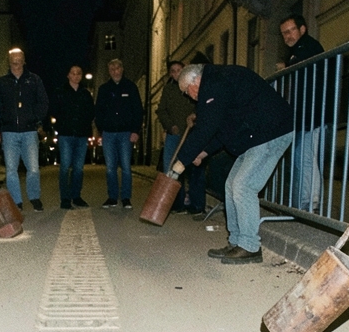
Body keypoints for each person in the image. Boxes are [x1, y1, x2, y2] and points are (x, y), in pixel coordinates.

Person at [169, 63, 294, 264]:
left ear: (194, 82)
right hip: (254, 136)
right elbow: (222, 129)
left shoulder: (215, 83)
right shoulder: (216, 84)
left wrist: (181, 162)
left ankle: (249, 246)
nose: (189, 97)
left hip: (272, 131)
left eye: (186, 91)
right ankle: (236, 241)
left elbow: (205, 129)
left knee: (243, 186)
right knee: (231, 186)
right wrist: (203, 152)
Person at [281, 14, 332, 212]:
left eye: (291, 30)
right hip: (305, 116)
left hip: (313, 115)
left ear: (302, 29)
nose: (287, 36)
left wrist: (286, 67)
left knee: (306, 159)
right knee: (301, 159)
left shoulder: (308, 47)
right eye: (284, 33)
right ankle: (305, 202)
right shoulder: (298, 51)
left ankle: (310, 203)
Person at [0, 48, 49, 211]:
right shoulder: (1, 83)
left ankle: (34, 197)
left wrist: (34, 118)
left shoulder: (34, 80)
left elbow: (43, 102)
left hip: (29, 132)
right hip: (9, 132)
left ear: (24, 61)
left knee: (33, 169)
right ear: (9, 62)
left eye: (19, 60)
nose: (16, 64)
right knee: (11, 170)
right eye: (13, 61)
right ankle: (16, 201)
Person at [155, 59, 204, 217]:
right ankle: (177, 204)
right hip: (174, 135)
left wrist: (195, 115)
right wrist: (171, 126)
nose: (176, 73)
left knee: (194, 168)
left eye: (178, 70)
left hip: (192, 133)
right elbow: (161, 110)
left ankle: (196, 205)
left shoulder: (194, 85)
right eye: (173, 71)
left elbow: (202, 104)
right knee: (172, 169)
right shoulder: (168, 90)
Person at [94, 58, 143, 208]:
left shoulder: (131, 87)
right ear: (109, 71)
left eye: (117, 68)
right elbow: (98, 111)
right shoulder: (104, 89)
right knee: (110, 167)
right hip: (108, 133)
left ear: (122, 69)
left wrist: (135, 131)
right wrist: (101, 129)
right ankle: (112, 197)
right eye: (112, 69)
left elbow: (138, 110)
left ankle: (126, 198)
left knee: (126, 167)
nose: (115, 71)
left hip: (125, 134)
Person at [52, 65, 95, 209]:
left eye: (79, 73)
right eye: (73, 73)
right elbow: (54, 110)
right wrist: (63, 123)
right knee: (65, 167)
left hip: (81, 135)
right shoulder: (60, 92)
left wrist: (84, 123)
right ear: (68, 75)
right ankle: (65, 199)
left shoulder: (85, 93)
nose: (76, 76)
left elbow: (91, 112)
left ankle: (76, 196)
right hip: (66, 134)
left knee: (78, 168)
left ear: (81, 76)